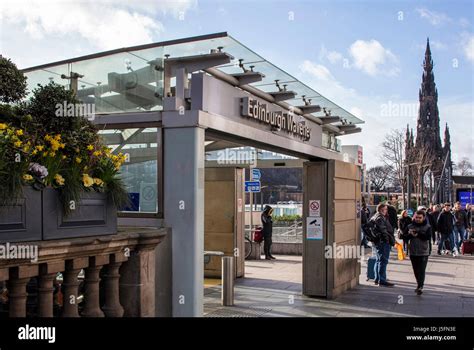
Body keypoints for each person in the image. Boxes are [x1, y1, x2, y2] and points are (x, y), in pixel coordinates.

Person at [402, 210, 432, 295]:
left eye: (420, 218)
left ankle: (420, 286)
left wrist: (418, 234)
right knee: (415, 270)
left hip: (423, 252)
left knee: (421, 270)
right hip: (413, 251)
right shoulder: (410, 226)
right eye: (417, 217)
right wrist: (410, 235)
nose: (418, 219)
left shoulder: (427, 226)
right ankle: (419, 284)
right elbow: (403, 236)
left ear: (424, 218)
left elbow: (428, 237)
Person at [370, 203, 396, 287]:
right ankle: (382, 280)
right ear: (381, 210)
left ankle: (377, 279)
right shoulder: (380, 218)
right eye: (385, 209)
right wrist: (387, 240)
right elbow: (383, 230)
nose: (386, 211)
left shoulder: (375, 216)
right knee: (383, 261)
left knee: (379, 260)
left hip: (378, 242)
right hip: (382, 242)